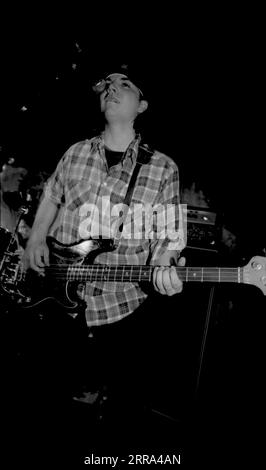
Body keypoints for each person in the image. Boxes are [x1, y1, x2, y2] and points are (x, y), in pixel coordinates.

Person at [22, 64, 186, 448]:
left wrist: (164, 265)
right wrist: (35, 239)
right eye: (107, 85)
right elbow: (51, 197)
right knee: (46, 399)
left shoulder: (163, 167)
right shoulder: (76, 152)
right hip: (57, 299)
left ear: (142, 106)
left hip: (123, 305)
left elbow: (170, 235)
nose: (112, 89)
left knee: (123, 415)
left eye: (125, 84)